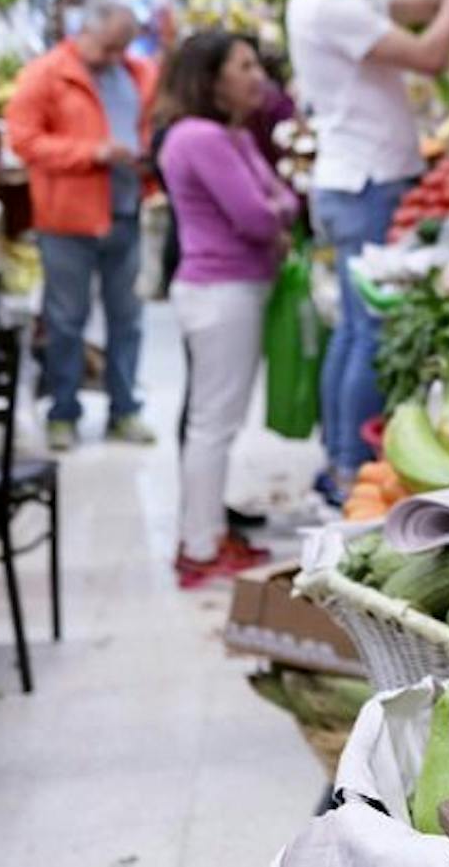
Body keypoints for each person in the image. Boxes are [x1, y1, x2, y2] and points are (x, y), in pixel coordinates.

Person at [287, 0, 449, 501]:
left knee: (354, 329)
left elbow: (419, 2)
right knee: (370, 329)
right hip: (367, 183)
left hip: (359, 178)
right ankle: (352, 469)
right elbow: (429, 53)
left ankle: (339, 462)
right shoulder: (329, 3)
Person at [154, 32, 295, 586]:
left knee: (216, 420)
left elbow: (280, 198)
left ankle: (206, 531)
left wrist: (275, 208)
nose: (257, 75)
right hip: (220, 292)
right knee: (212, 423)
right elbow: (260, 216)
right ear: (212, 79)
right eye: (244, 66)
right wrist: (276, 212)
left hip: (232, 291)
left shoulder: (229, 137)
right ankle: (200, 547)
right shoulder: (201, 138)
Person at [4, 0, 158, 451]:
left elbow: (144, 126)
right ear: (84, 31)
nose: (115, 57)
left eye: (123, 48)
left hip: (125, 211)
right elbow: (24, 139)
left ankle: (125, 410)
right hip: (66, 219)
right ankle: (63, 412)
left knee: (127, 318)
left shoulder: (137, 73)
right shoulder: (46, 74)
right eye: (109, 47)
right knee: (66, 321)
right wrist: (90, 153)